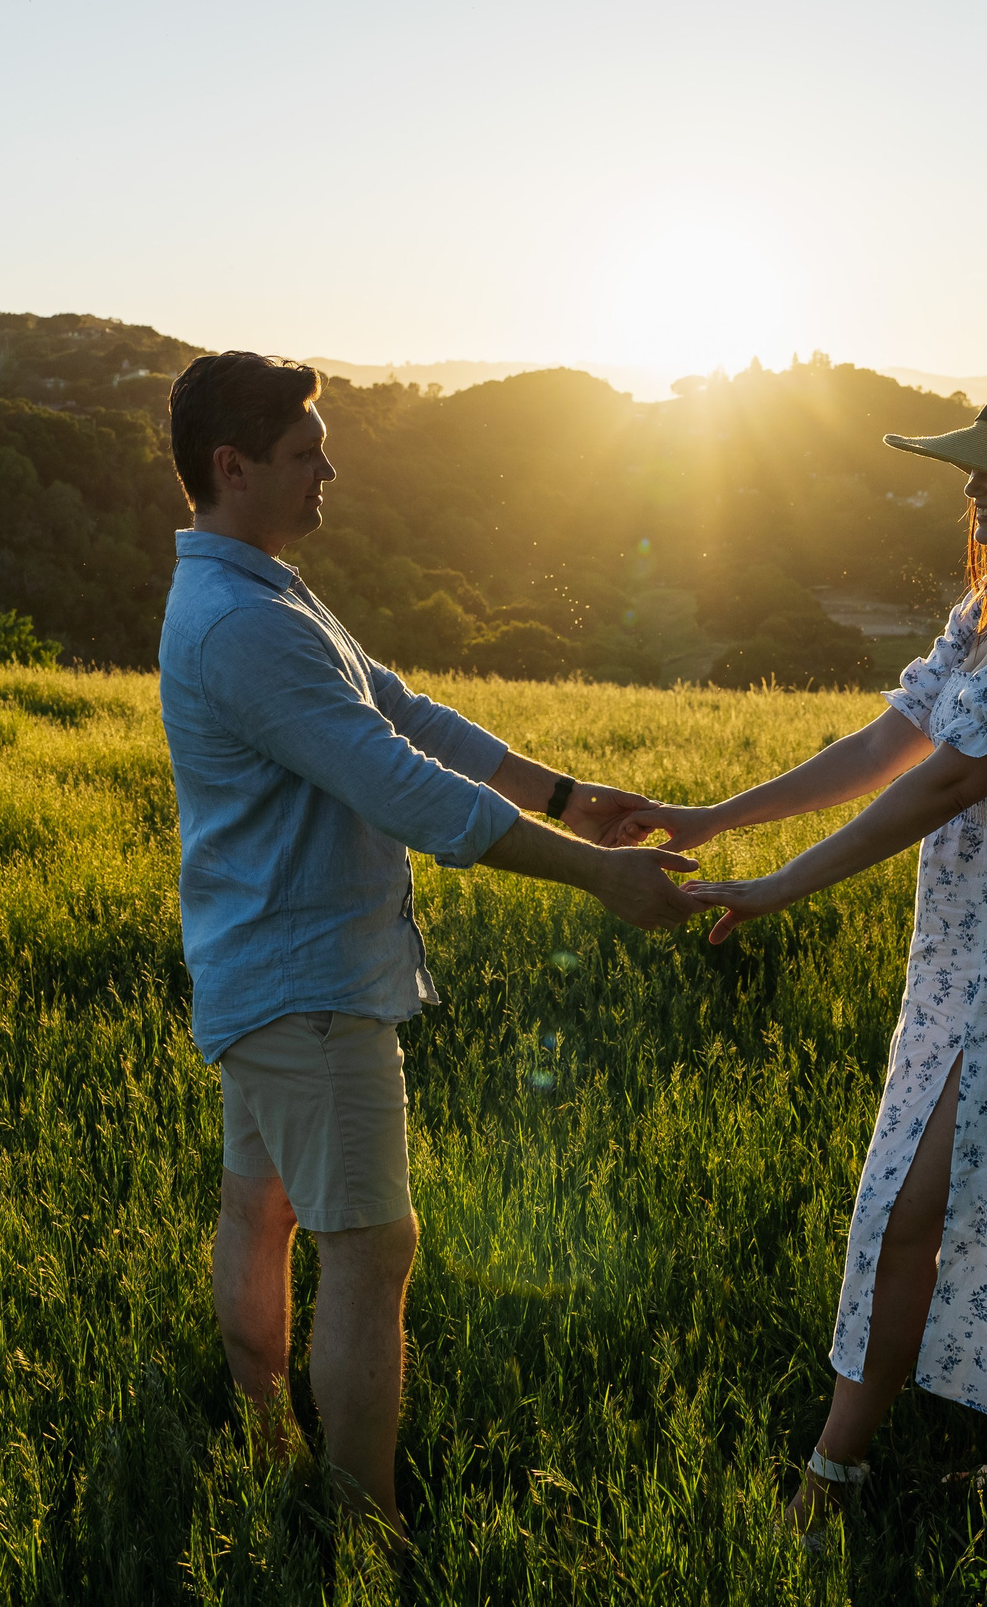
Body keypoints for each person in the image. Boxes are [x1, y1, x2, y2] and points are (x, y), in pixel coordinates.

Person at [157, 352, 705, 1545]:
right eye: (304, 454)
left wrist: (566, 797)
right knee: (369, 1249)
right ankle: (365, 1531)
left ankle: (266, 1443)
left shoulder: (262, 593)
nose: (329, 471)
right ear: (233, 468)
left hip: (266, 966)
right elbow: (403, 785)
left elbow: (403, 710)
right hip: (309, 982)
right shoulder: (244, 623)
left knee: (260, 1207)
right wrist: (599, 874)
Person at [625, 371, 987, 1544]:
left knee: (920, 1207)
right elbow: (891, 742)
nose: (971, 486)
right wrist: (717, 818)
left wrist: (779, 887)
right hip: (970, 952)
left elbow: (949, 779)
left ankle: (832, 1481)